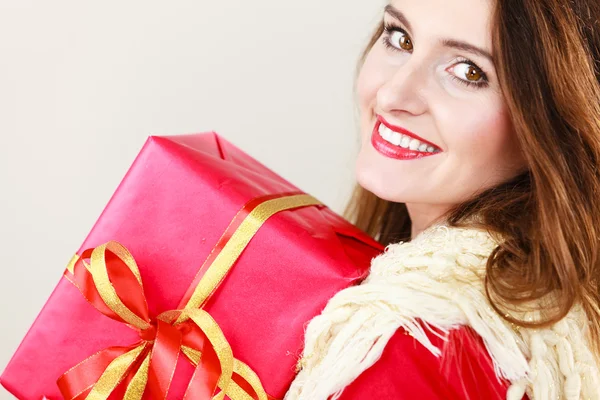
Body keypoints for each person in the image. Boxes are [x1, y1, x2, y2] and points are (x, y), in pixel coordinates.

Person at [284, 0, 600, 399]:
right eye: (400, 38)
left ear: (554, 121)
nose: (392, 95)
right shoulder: (552, 303)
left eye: (469, 72)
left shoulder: (416, 339)